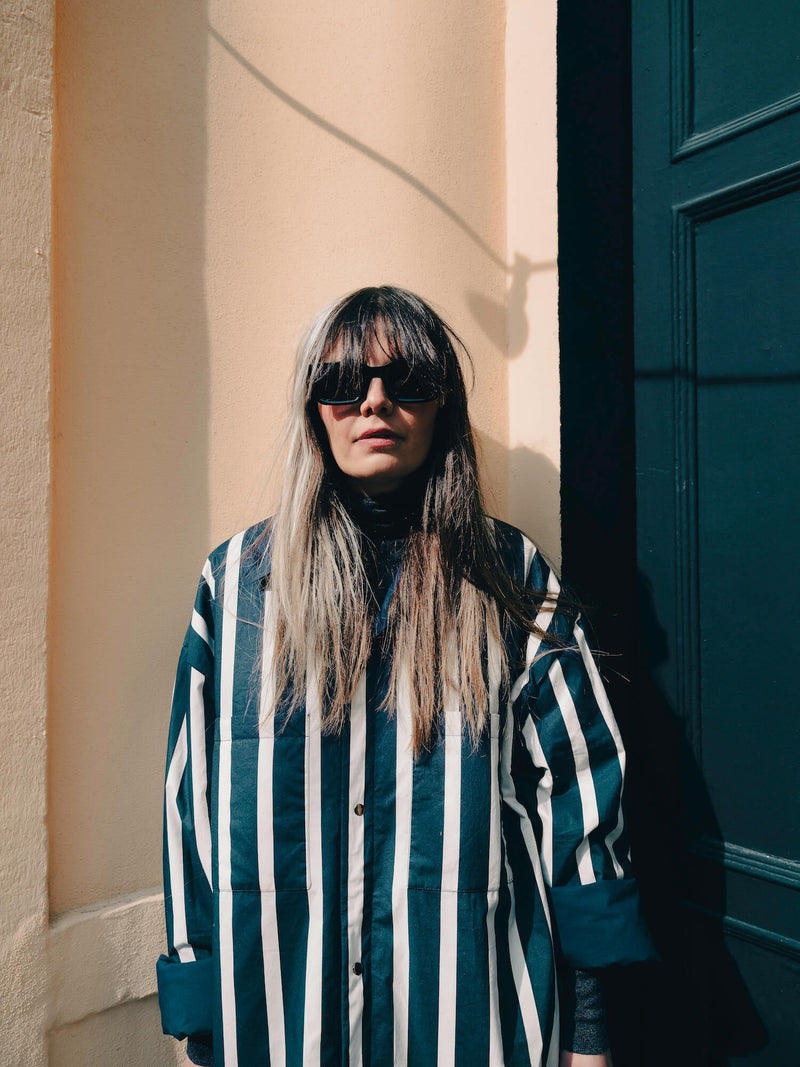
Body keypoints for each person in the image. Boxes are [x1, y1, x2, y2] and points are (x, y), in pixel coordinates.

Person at [156, 286, 656, 1067]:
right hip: (280, 1025)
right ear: (314, 408)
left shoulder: (509, 576)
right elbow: (193, 812)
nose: (374, 401)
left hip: (471, 1022)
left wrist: (590, 1034)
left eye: (408, 378)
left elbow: (581, 800)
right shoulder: (238, 587)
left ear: (442, 403)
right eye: (343, 381)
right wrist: (200, 1027)